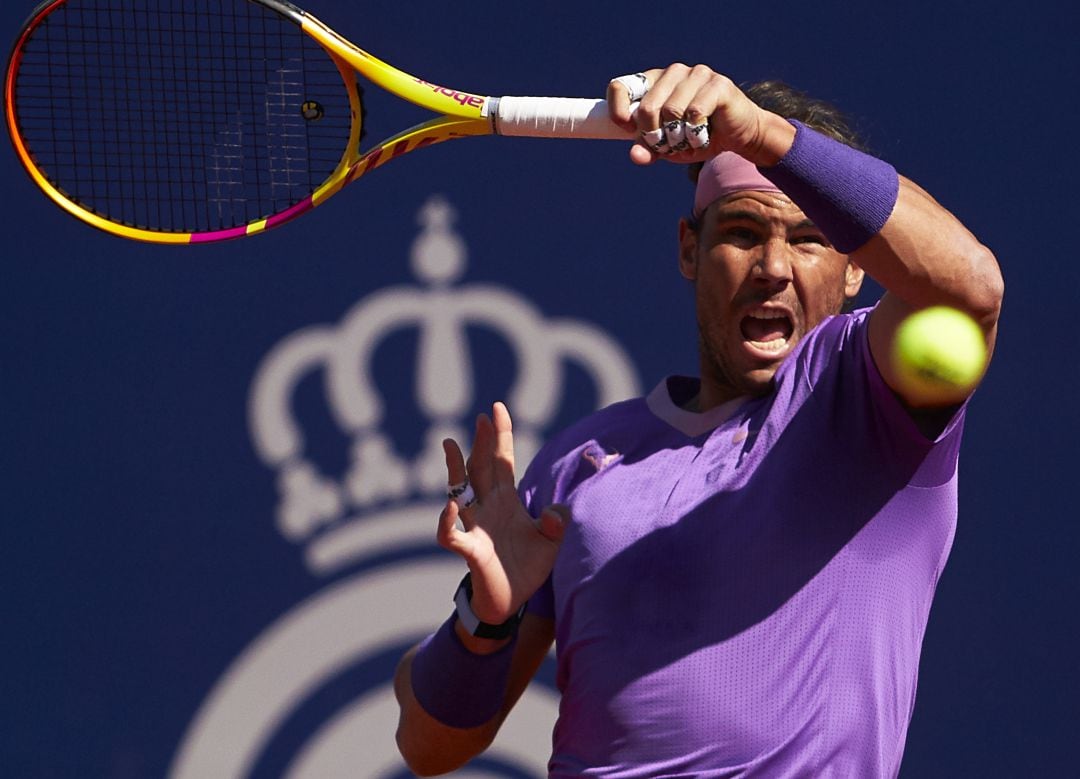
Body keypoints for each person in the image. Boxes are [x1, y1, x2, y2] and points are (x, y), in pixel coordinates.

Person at [392, 63, 1004, 777]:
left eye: (807, 240)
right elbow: (429, 745)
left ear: (855, 269)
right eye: (742, 232)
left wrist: (764, 135)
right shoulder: (579, 461)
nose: (773, 266)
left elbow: (973, 288)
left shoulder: (870, 399)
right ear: (690, 249)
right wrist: (483, 622)